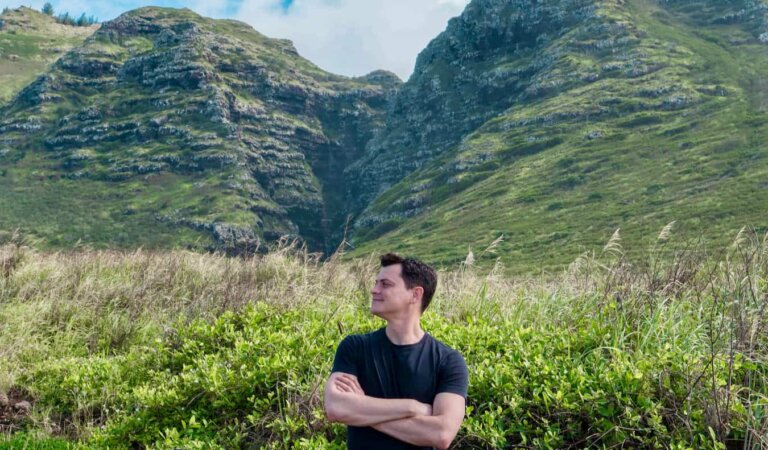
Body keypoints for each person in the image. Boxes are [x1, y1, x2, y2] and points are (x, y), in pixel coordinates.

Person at [324, 253, 469, 449]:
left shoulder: (448, 361)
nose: (374, 290)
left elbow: (441, 434)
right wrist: (411, 407)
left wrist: (362, 407)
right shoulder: (355, 347)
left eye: (385, 284)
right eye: (376, 283)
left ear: (415, 294)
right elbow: (336, 408)